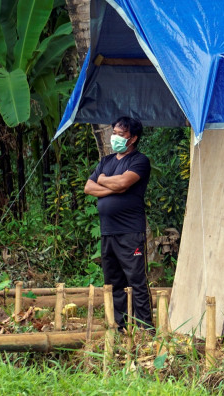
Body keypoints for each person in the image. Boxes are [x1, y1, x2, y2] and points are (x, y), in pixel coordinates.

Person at [84, 116, 153, 331]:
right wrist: (113, 187)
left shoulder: (139, 161)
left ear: (133, 138)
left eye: (120, 134)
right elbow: (88, 187)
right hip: (108, 232)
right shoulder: (106, 162)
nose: (115, 137)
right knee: (114, 281)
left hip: (130, 231)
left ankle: (145, 327)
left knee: (136, 280)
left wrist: (103, 181)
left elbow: (124, 182)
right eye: (114, 132)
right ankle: (121, 326)